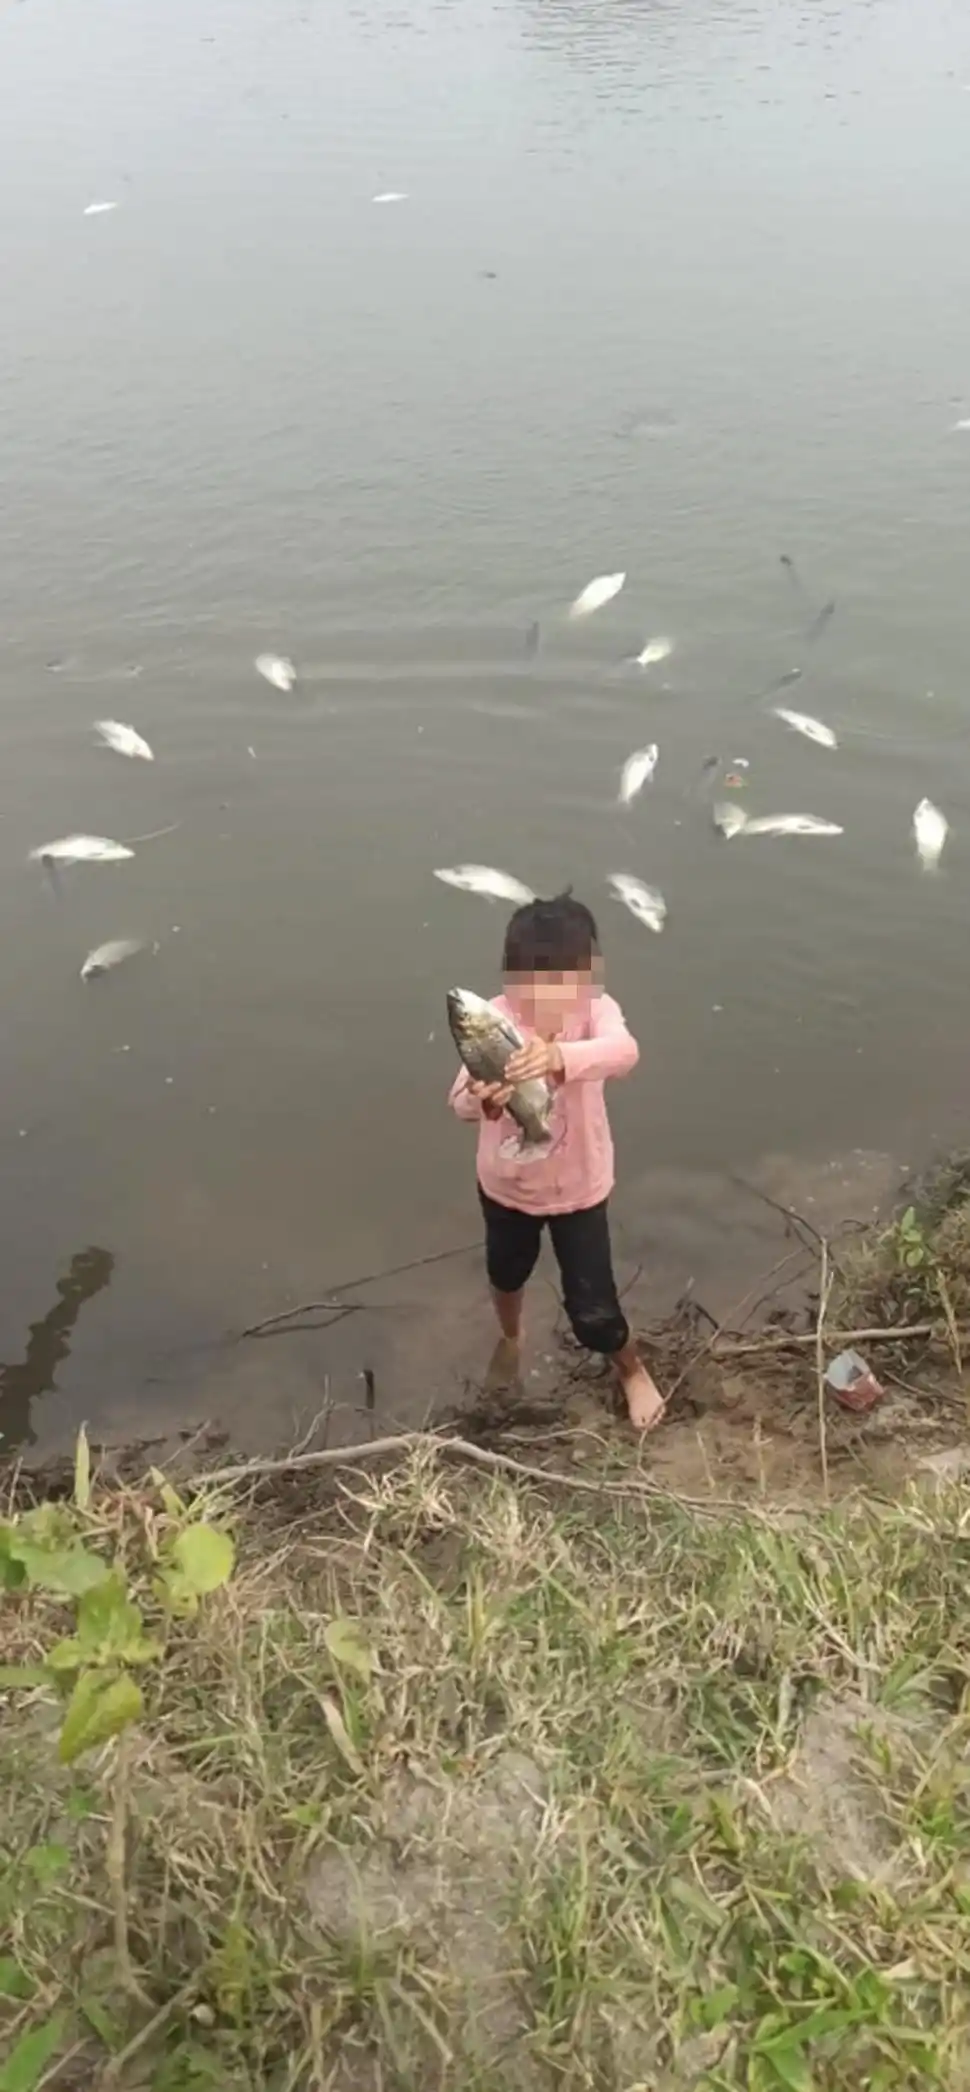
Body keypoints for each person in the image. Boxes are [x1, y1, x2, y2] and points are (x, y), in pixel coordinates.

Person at [448, 891, 665, 1431]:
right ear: (511, 978)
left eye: (565, 978)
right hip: (505, 1188)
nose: (547, 993)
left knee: (593, 1307)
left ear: (587, 975)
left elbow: (626, 1053)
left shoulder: (596, 1014)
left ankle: (631, 1369)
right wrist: (484, 1099)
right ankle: (511, 1337)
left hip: (579, 1190)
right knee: (506, 1272)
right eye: (532, 980)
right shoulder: (493, 1021)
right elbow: (457, 1103)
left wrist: (560, 1057)